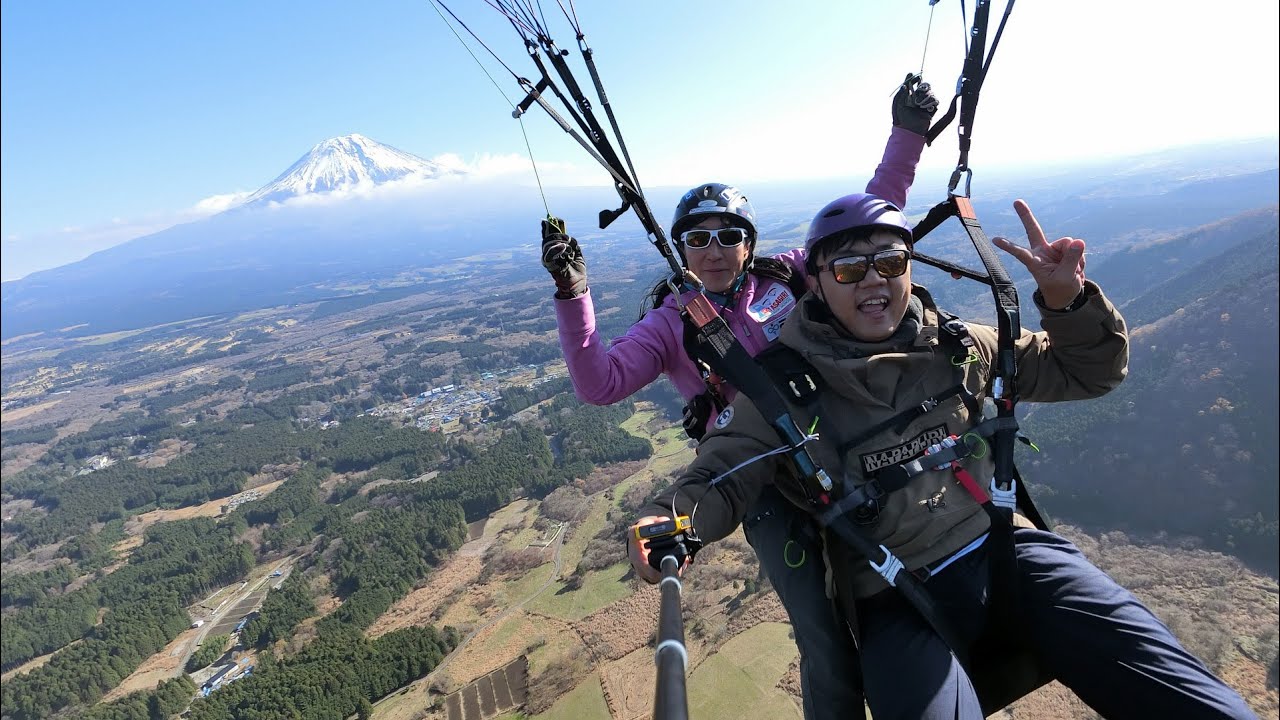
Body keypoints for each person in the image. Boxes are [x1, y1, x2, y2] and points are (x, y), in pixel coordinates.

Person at [626, 193, 1257, 720]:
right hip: (893, 594)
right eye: (849, 269)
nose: (873, 279)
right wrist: (671, 520)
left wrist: (1068, 303)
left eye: (889, 262)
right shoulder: (778, 388)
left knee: (1192, 698)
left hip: (1011, 553)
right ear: (814, 282)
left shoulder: (955, 344)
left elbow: (1084, 372)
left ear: (909, 269)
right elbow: (720, 472)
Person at [540, 77, 940, 720]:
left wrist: (907, 136)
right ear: (682, 251)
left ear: (749, 243)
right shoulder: (672, 323)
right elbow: (600, 383)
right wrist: (572, 292)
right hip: (761, 480)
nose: (715, 251)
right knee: (824, 636)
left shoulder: (789, 274)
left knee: (909, 582)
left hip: (843, 441)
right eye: (698, 239)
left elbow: (869, 223)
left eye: (728, 236)